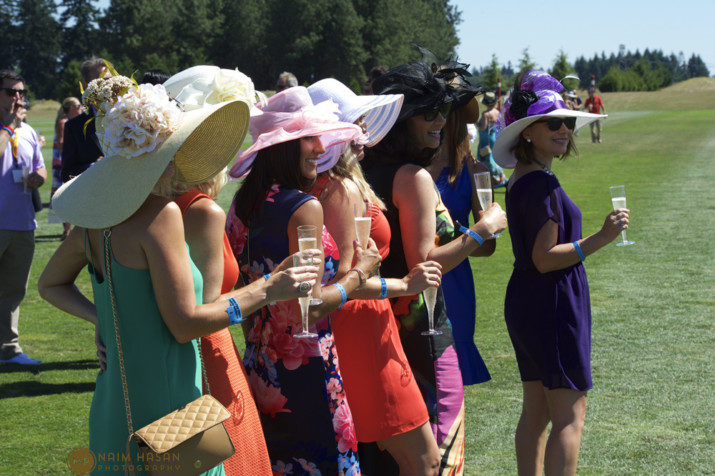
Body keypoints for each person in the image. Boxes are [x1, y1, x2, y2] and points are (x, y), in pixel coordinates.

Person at [39, 80, 320, 475]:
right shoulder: (161, 214)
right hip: (172, 411)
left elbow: (49, 284)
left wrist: (101, 317)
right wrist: (270, 287)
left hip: (111, 407)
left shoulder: (95, 222)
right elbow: (187, 322)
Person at [362, 62, 507, 474]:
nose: (441, 122)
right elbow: (424, 263)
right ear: (401, 120)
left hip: (380, 329)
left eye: (443, 112)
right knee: (440, 455)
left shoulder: (361, 172)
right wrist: (483, 230)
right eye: (430, 113)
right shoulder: (412, 178)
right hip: (424, 330)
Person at [227, 86, 381, 474]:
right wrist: (360, 274)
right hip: (308, 367)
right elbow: (309, 306)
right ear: (284, 147)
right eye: (308, 139)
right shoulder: (303, 206)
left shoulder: (243, 203)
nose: (319, 148)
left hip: (260, 362)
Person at [493, 70, 627, 475]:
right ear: (527, 132)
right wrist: (602, 237)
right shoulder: (540, 185)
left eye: (567, 122)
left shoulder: (526, 179)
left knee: (536, 412)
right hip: (551, 302)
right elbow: (545, 257)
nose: (564, 129)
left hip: (530, 301)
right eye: (553, 122)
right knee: (570, 416)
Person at [308, 78, 445, 474]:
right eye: (358, 122)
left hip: (363, 327)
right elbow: (349, 281)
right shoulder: (339, 187)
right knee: (424, 460)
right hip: (362, 331)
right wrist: (406, 284)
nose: (366, 130)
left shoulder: (327, 184)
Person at [163, 65, 273, 475]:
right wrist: (268, 287)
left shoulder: (147, 207)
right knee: (228, 462)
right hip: (208, 358)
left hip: (166, 360)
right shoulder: (202, 210)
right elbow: (205, 312)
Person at [426, 74, 497, 387]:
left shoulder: (475, 171)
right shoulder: (411, 165)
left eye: (442, 113)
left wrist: (458, 231)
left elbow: (489, 245)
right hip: (417, 273)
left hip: (454, 280)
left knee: (450, 376)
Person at [0, 70, 47, 366]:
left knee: (13, 290)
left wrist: (38, 179)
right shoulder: (11, 128)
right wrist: (8, 127)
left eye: (20, 92)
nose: (18, 97)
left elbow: (40, 168)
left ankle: (9, 349)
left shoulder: (27, 131)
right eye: (10, 92)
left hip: (22, 223)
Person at [60, 57, 110, 184]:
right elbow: (67, 174)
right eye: (102, 81)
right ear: (87, 85)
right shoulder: (74, 127)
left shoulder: (129, 116)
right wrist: (93, 167)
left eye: (110, 80)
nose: (108, 85)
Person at [50, 97, 82, 238]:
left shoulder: (73, 123)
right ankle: (67, 230)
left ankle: (68, 229)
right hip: (62, 162)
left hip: (66, 161)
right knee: (63, 192)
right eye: (78, 106)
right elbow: (62, 144)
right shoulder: (64, 122)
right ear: (70, 108)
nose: (81, 108)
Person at [477, 91, 508, 187]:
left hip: (486, 140)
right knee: (493, 159)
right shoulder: (497, 112)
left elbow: (483, 127)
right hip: (494, 138)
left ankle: (497, 179)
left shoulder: (485, 114)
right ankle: (499, 178)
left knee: (486, 160)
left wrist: (477, 124)